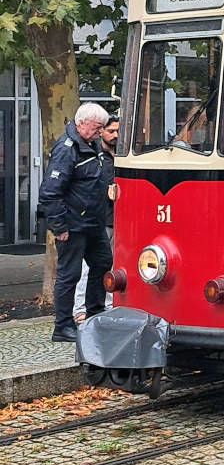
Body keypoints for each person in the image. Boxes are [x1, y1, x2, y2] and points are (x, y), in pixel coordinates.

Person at [39, 103, 113, 343]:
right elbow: (50, 192)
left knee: (103, 263)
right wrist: (59, 227)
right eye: (97, 127)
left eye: (102, 128)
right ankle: (62, 326)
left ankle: (94, 314)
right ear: (82, 123)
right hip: (72, 225)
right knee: (69, 275)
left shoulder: (92, 145)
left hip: (93, 223)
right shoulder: (67, 149)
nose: (100, 132)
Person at [72, 115, 118, 323]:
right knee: (88, 267)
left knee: (109, 263)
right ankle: (80, 307)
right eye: (110, 131)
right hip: (100, 219)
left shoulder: (118, 155)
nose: (115, 135)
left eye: (118, 131)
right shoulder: (97, 155)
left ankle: (107, 303)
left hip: (116, 219)